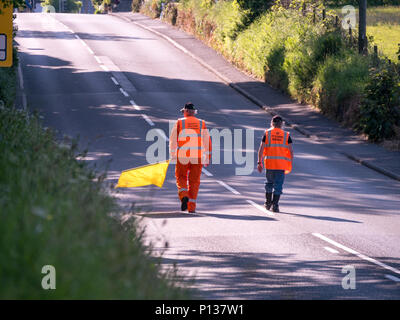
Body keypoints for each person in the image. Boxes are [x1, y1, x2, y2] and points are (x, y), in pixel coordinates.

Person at [169, 102, 212, 213]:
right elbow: (207, 141)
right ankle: (191, 207)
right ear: (194, 112)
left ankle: (184, 196)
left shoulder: (179, 122)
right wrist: (208, 156)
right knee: (194, 181)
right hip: (197, 157)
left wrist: (173, 154)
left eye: (184, 111)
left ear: (186, 111)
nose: (183, 113)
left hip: (183, 156)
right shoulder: (201, 123)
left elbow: (173, 140)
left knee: (181, 177)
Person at [257, 115, 293, 213]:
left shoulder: (267, 134)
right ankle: (275, 205)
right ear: (282, 124)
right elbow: (290, 151)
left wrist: (259, 162)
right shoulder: (286, 135)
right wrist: (289, 163)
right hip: (281, 165)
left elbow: (261, 149)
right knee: (278, 185)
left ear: (272, 123)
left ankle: (268, 202)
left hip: (270, 164)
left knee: (269, 183)